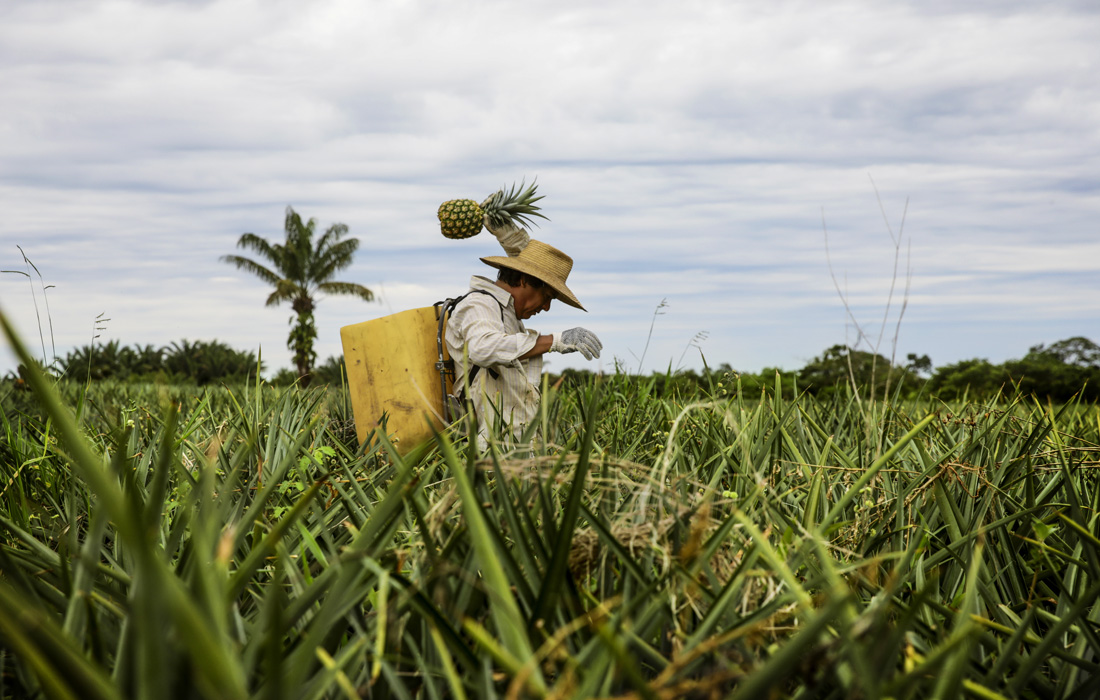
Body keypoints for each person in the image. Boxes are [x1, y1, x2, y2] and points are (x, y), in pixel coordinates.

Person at [445, 221, 601, 448]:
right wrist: (554, 341)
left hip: (514, 452)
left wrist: (509, 235)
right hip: (488, 454)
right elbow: (482, 348)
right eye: (547, 296)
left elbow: (529, 261)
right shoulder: (480, 304)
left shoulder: (507, 315)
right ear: (523, 280)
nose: (546, 307)